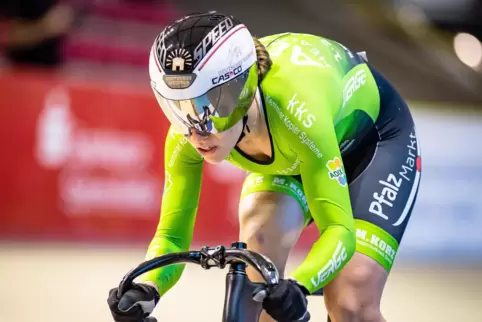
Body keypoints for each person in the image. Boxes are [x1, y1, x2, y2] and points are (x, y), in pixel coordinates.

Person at [107, 11, 422, 322]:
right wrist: (146, 287)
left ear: (240, 91)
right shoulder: (185, 135)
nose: (195, 131)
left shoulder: (297, 112)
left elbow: (339, 232)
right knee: (259, 268)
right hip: (300, 151)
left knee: (349, 302)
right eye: (178, 108)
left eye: (206, 106)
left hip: (374, 141)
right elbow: (172, 239)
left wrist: (300, 287)